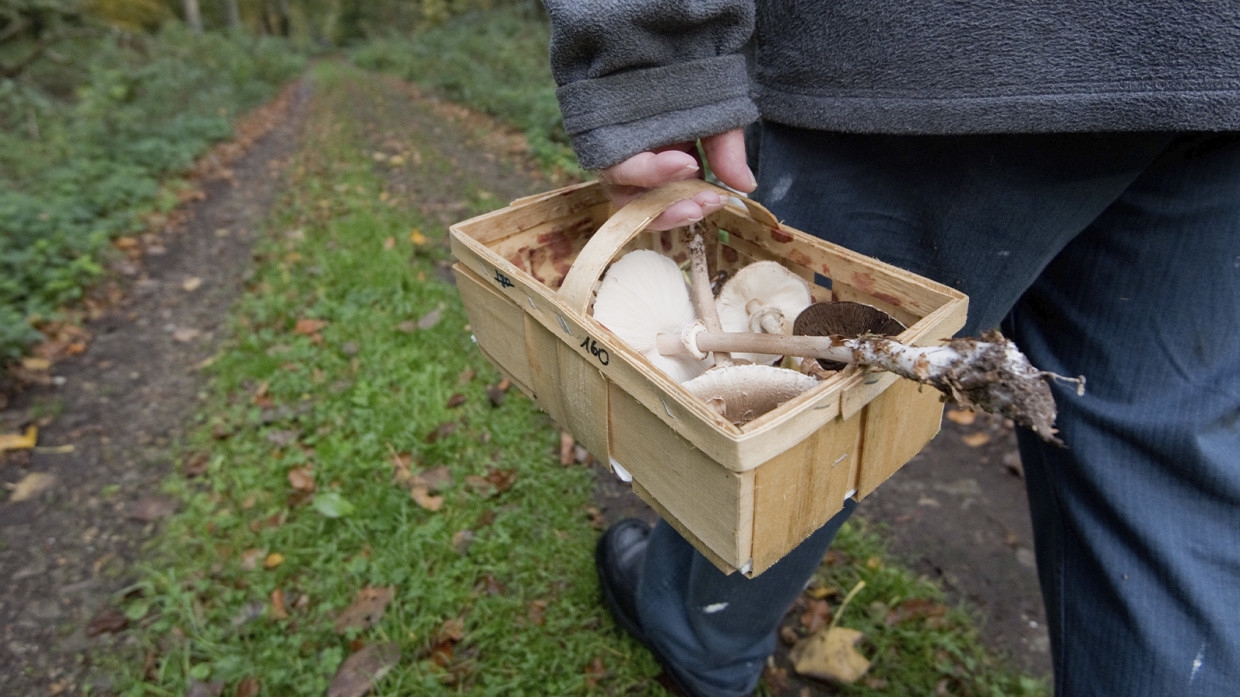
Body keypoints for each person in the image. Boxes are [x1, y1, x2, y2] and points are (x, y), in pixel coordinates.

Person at [540, 3, 1240, 696]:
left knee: (808, 427)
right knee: (1160, 468)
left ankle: (697, 634)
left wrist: (642, 51)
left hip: (929, 68)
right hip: (1211, 64)